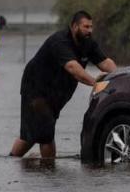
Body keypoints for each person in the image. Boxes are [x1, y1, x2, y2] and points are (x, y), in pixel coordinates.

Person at [10, 10, 117, 158]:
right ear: (74, 27)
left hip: (56, 93)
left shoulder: (88, 43)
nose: (89, 31)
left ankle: (12, 160)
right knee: (46, 131)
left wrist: (123, 76)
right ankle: (50, 170)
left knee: (34, 133)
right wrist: (95, 83)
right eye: (85, 27)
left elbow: (105, 62)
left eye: (91, 27)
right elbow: (73, 68)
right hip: (36, 89)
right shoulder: (60, 42)